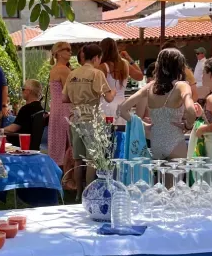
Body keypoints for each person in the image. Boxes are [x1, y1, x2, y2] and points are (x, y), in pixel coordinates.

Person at [119, 47, 196, 159]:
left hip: (156, 144)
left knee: (159, 176)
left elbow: (122, 109)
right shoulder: (181, 86)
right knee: (175, 177)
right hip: (175, 143)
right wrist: (188, 125)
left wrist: (142, 125)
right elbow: (191, 110)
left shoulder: (150, 87)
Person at [63, 43, 116, 200]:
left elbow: (64, 98)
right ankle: (90, 193)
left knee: (78, 160)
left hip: (75, 118)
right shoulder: (96, 73)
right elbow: (109, 97)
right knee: (92, 159)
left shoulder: (72, 74)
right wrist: (112, 90)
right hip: (91, 118)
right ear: (96, 58)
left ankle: (79, 194)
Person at [99, 37, 143, 125]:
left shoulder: (102, 66)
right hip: (122, 105)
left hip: (106, 105)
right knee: (122, 134)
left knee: (108, 135)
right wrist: (129, 58)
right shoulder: (125, 64)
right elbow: (140, 76)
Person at [46, 41, 73, 167]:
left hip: (56, 109)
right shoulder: (64, 69)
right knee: (68, 144)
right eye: (67, 49)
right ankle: (68, 177)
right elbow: (71, 93)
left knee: (58, 142)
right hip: (65, 109)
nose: (70, 52)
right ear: (58, 53)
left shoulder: (54, 69)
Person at [4, 79, 45, 148]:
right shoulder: (40, 108)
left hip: (20, 143)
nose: (22, 91)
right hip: (32, 144)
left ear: (28, 91)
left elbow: (13, 129)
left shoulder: (26, 109)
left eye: (23, 89)